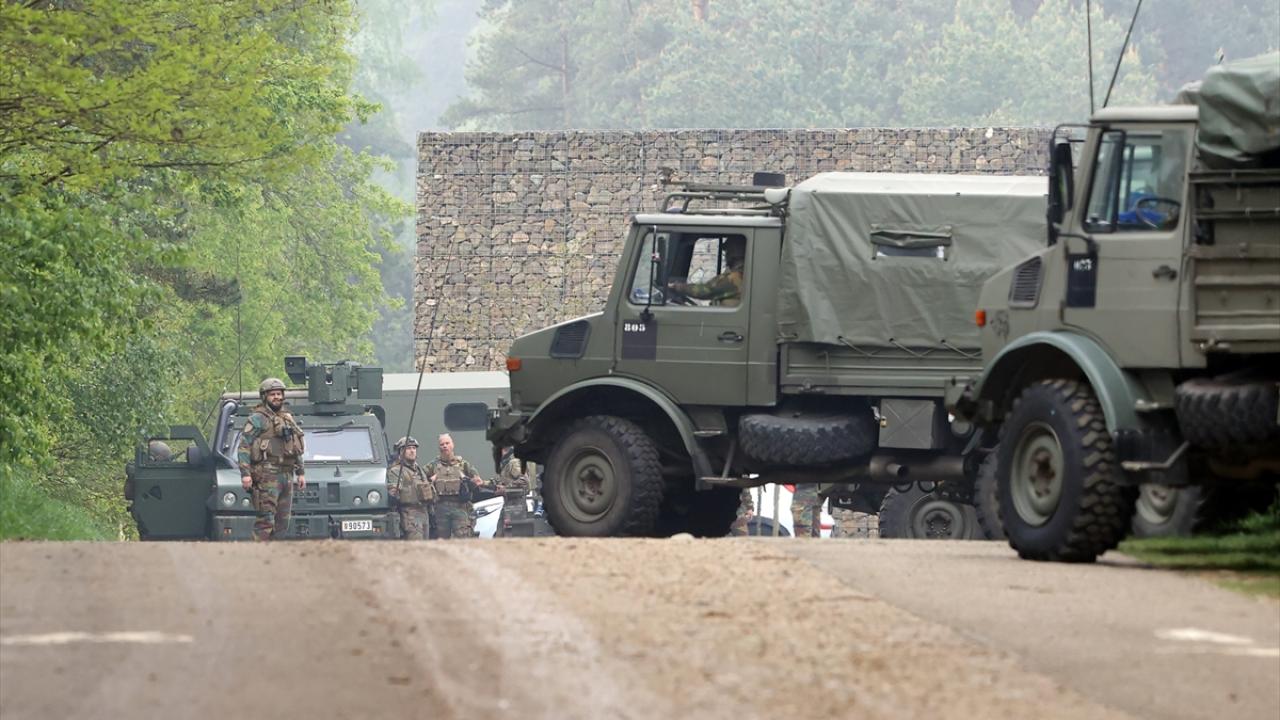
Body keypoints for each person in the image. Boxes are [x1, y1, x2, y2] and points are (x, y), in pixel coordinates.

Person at [237, 377, 306, 541]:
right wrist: (245, 474)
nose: (277, 397)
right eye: (272, 394)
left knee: (283, 522)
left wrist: (301, 472)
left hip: (287, 476)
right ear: (264, 396)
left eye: (279, 394)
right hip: (267, 475)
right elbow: (244, 446)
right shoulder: (258, 418)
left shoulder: (287, 418)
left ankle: (274, 559)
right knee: (266, 520)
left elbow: (295, 447)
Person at [426, 433, 489, 539]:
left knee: (463, 537)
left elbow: (478, 482)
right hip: (440, 507)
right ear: (439, 447)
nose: (445, 446)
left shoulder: (463, 464)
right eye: (442, 444)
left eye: (447, 443)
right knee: (441, 540)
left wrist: (465, 479)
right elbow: (421, 481)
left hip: (460, 506)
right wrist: (432, 480)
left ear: (452, 445)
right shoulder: (432, 465)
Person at [667, 237, 745, 307]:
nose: (726, 254)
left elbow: (704, 290)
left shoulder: (735, 278)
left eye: (728, 250)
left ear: (735, 252)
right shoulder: (743, 275)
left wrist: (677, 286)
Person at [387, 436, 436, 540]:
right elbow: (393, 493)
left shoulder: (419, 470)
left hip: (424, 513)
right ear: (401, 451)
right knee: (415, 547)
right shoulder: (396, 470)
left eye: (414, 448)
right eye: (408, 448)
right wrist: (395, 492)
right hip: (410, 514)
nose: (412, 451)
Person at [495, 446, 531, 535]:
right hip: (509, 505)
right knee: (501, 535)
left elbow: (524, 481)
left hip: (516, 507)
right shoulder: (506, 463)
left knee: (511, 536)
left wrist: (505, 489)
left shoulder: (514, 462)